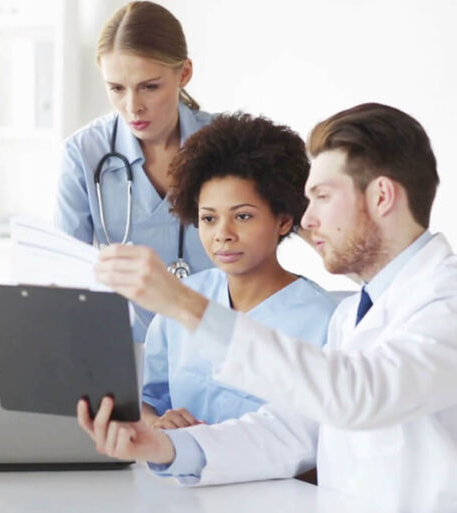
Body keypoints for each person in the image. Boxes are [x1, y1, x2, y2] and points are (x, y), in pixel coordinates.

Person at [79, 103, 457, 513]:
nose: (307, 220)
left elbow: (357, 393)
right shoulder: (354, 314)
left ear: (382, 196)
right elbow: (293, 429)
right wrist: (165, 446)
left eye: (322, 197)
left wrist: (184, 304)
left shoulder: (446, 299)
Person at [141, 113, 336, 430]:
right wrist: (160, 426)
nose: (223, 234)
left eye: (243, 216)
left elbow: (321, 444)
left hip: (273, 481)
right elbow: (149, 402)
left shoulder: (324, 322)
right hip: (179, 474)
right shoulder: (181, 303)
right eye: (208, 218)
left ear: (284, 221)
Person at [54, 1, 214, 342]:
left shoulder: (227, 146)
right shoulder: (84, 154)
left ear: (183, 73)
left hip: (216, 348)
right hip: (125, 354)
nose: (133, 106)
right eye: (116, 88)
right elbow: (66, 278)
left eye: (149, 86)